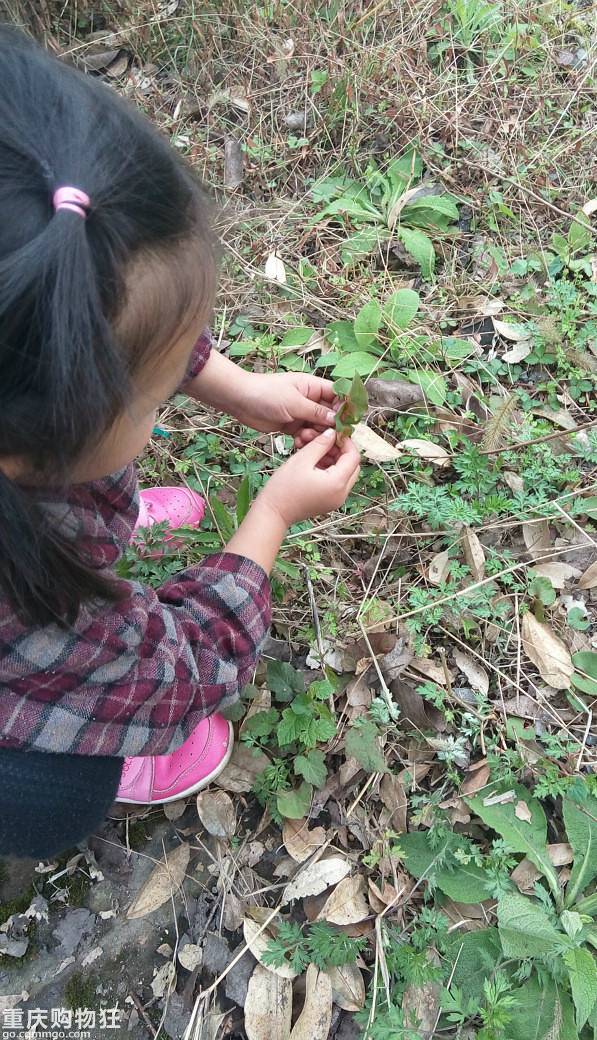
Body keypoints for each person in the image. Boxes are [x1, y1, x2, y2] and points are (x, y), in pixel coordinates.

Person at [0, 26, 361, 859]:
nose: (172, 396)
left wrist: (236, 388)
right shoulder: (24, 611)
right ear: (29, 448)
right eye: (160, 392)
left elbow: (93, 305)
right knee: (62, 794)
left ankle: (92, 528)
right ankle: (79, 749)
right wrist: (271, 513)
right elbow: (174, 672)